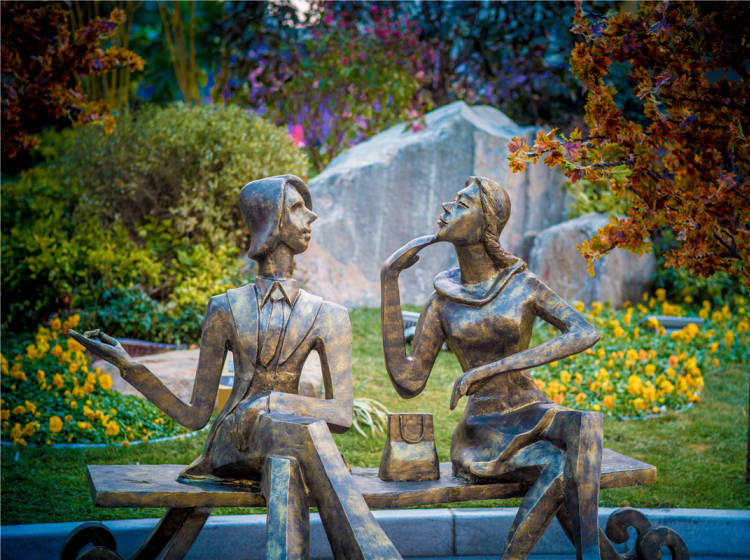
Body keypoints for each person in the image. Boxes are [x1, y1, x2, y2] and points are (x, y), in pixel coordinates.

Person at [71, 175, 402, 560]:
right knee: (299, 441)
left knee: (285, 463)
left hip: (294, 444)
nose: (311, 217)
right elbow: (195, 415)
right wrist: (129, 367)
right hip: (234, 445)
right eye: (297, 208)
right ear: (271, 221)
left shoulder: (329, 315)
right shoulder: (225, 307)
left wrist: (272, 402)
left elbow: (342, 414)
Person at [380, 176, 603, 560]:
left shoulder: (522, 284)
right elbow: (408, 381)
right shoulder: (442, 301)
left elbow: (584, 332)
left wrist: (488, 369)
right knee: (555, 465)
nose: (447, 207)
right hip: (483, 428)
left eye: (462, 204)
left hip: (532, 407)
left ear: (486, 224)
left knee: (587, 424)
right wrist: (389, 279)